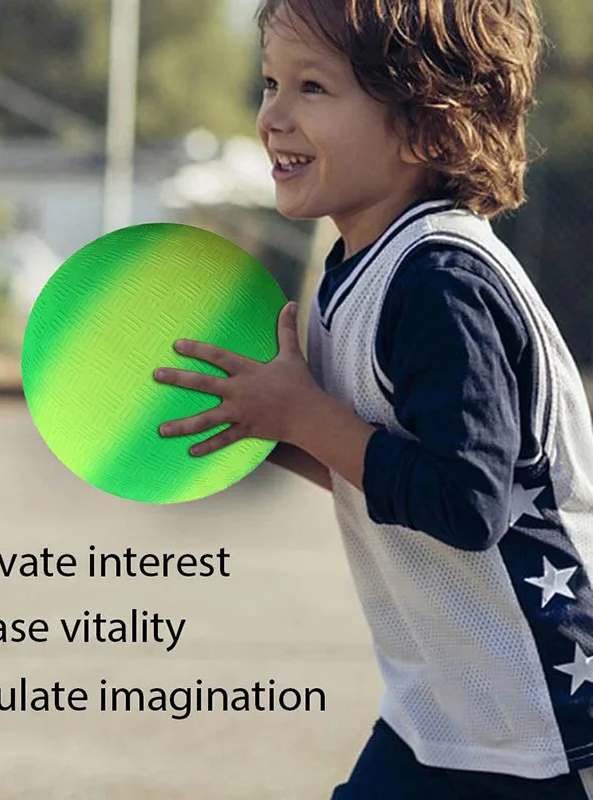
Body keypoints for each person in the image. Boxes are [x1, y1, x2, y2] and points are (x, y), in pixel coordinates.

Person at [251, 0, 593, 797]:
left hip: (546, 724)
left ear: (426, 127)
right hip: (446, 711)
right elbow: (382, 469)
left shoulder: (442, 284)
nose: (272, 115)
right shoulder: (361, 263)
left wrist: (305, 415)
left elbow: (465, 502)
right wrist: (268, 428)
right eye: (271, 82)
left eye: (312, 88)